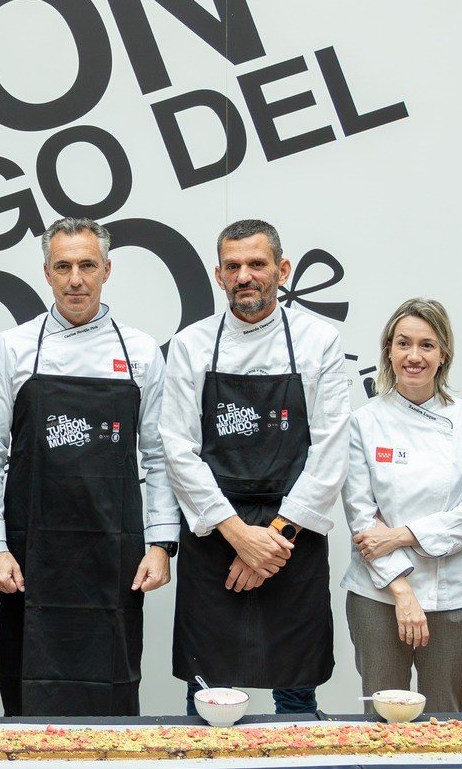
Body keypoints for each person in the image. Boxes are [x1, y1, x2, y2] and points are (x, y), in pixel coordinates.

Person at [0, 216, 179, 716]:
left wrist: (162, 544)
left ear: (107, 269)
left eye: (87, 265)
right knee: (26, 685)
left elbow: (159, 456)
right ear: (46, 273)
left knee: (113, 686)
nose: (75, 279)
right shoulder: (14, 347)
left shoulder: (141, 350)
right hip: (30, 553)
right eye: (63, 267)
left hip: (114, 554)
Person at [162, 218, 351, 716]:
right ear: (219, 275)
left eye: (257, 264)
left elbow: (331, 450)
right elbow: (179, 449)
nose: (245, 275)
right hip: (215, 538)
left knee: (296, 697)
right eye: (233, 266)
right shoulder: (191, 345)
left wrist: (272, 538)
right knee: (208, 702)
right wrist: (239, 535)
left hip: (293, 537)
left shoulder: (319, 342)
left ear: (282, 269)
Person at [341, 298, 462, 713]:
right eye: (403, 344)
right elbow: (361, 515)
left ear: (443, 353)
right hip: (378, 595)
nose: (414, 356)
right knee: (382, 719)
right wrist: (402, 590)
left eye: (427, 345)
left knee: (443, 721)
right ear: (388, 350)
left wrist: (400, 536)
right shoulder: (364, 421)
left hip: (454, 597)